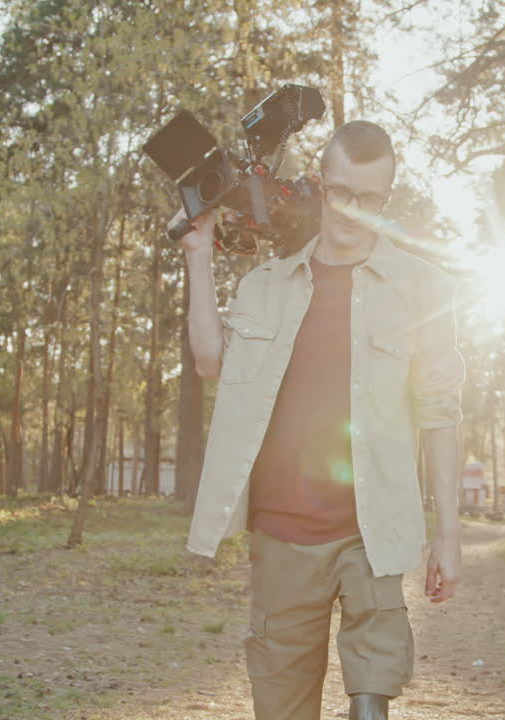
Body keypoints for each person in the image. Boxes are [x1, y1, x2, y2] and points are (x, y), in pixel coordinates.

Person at [173, 120, 465, 720]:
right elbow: (210, 361)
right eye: (340, 192)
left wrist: (449, 536)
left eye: (371, 198)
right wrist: (198, 254)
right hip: (282, 532)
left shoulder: (423, 288)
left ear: (387, 197)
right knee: (280, 706)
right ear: (321, 184)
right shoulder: (268, 284)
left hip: (373, 527)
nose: (353, 210)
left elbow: (440, 413)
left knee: (371, 693)